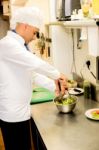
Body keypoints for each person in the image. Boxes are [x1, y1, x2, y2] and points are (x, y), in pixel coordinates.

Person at [0, 6, 68, 150]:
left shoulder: (19, 46)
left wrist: (54, 87)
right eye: (34, 32)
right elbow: (34, 62)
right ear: (25, 26)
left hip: (22, 112)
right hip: (12, 115)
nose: (34, 37)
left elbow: (33, 74)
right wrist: (58, 74)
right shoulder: (7, 45)